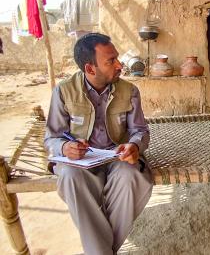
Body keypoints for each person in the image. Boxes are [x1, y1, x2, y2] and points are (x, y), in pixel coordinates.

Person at [44, 33, 153, 255]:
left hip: (118, 158)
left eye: (117, 58)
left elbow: (140, 131)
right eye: (110, 61)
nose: (119, 65)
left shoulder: (129, 91)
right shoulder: (64, 92)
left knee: (131, 176)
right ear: (90, 68)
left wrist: (134, 146)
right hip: (80, 164)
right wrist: (65, 148)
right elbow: (51, 138)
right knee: (69, 176)